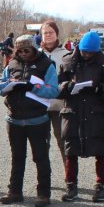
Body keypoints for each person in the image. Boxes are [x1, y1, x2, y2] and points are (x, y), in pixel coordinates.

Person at [0, 34, 60, 207]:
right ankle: (15, 191)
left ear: (34, 48)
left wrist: (34, 87)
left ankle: (43, 194)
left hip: (37, 119)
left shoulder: (46, 64)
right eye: (20, 50)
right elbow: (0, 88)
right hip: (14, 119)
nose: (23, 53)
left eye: (27, 50)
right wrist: (8, 85)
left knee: (40, 157)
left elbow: (54, 91)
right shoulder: (12, 64)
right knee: (17, 157)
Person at [56, 31, 104, 202]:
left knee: (100, 151)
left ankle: (101, 185)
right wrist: (68, 86)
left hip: (97, 113)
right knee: (71, 151)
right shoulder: (67, 62)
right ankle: (71, 185)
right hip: (72, 112)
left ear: (97, 51)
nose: (86, 54)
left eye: (90, 52)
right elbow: (57, 87)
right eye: (84, 51)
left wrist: (99, 89)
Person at [39, 20, 71, 174]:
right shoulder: (37, 55)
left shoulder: (66, 55)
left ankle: (69, 175)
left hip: (60, 104)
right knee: (42, 142)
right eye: (45, 33)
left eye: (51, 32)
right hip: (40, 105)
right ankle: (44, 175)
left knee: (63, 141)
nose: (48, 35)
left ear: (57, 34)